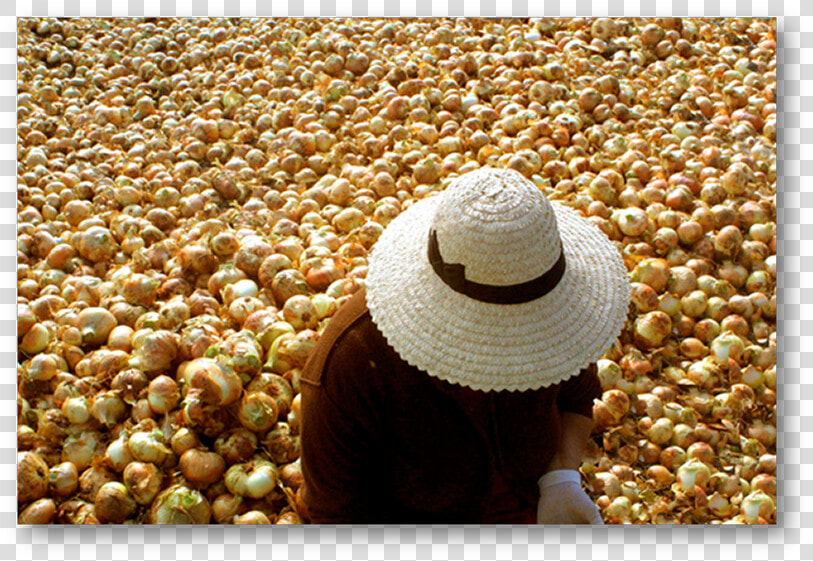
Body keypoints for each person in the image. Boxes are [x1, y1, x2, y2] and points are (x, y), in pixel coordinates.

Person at [299, 167, 630, 524]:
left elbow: (578, 396)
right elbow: (334, 517)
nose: (516, 347)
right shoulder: (350, 367)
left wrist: (561, 478)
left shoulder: (565, 317)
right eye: (499, 328)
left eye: (527, 328)